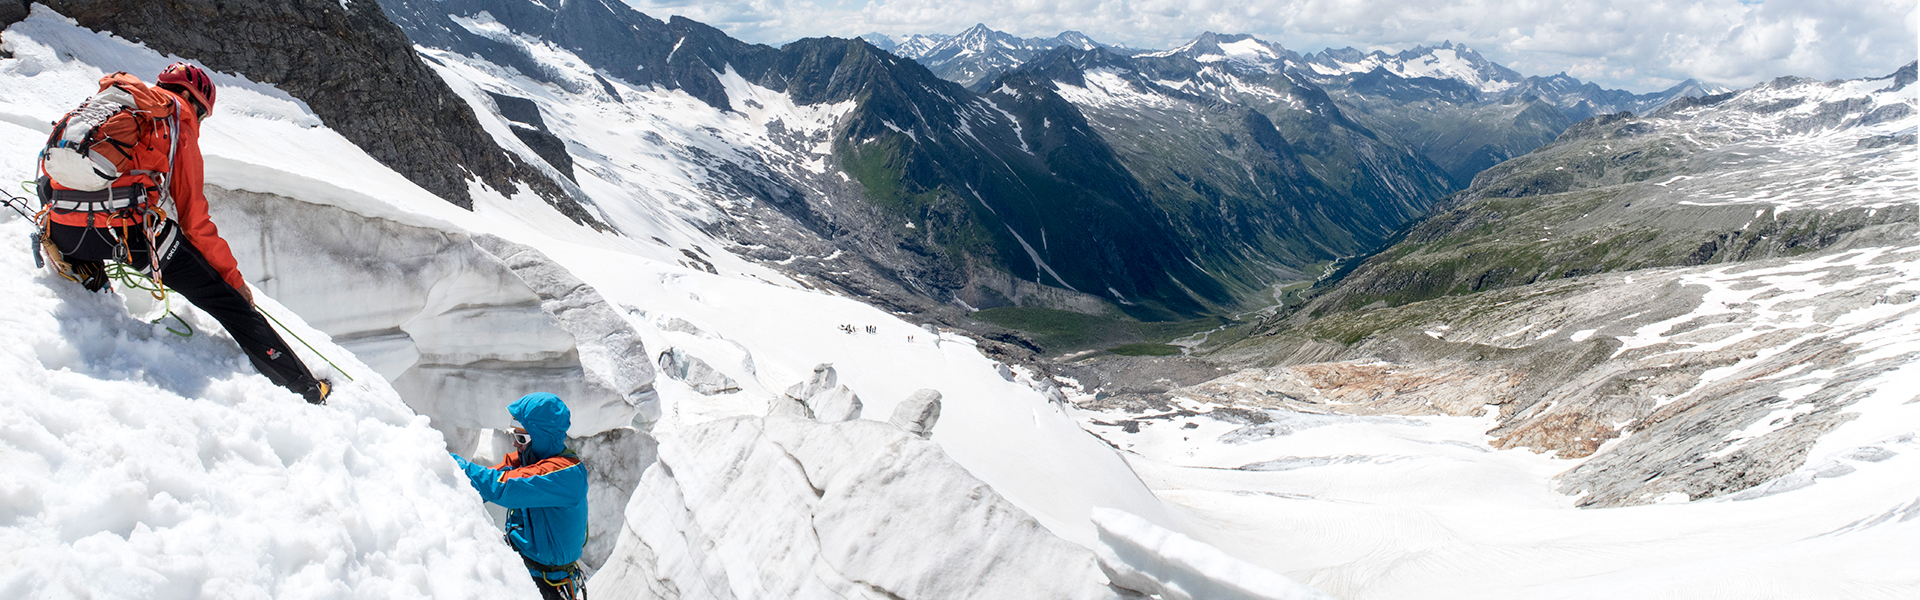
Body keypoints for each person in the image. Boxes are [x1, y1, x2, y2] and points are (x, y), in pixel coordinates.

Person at [39, 62, 329, 404]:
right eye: (203, 116)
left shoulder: (112, 102)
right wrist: (234, 281)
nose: (200, 123)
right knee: (227, 303)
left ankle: (85, 270)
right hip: (129, 235)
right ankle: (306, 388)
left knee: (88, 223)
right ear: (195, 102)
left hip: (63, 227)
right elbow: (194, 219)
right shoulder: (176, 121)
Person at [452, 393, 590, 600]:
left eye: (521, 438)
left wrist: (446, 460)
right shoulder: (531, 459)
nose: (516, 444)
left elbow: (502, 487)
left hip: (547, 585)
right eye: (514, 435)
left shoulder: (564, 475)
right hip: (524, 569)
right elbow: (495, 477)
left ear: (541, 437)